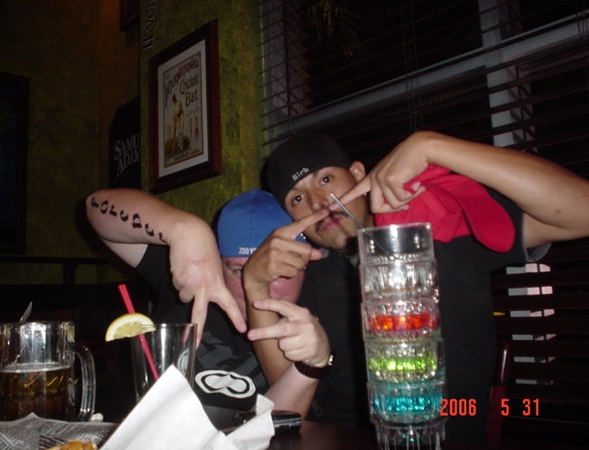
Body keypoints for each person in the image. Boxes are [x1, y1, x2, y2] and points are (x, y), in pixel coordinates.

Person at [251, 130, 589, 446]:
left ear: (358, 173)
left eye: (325, 179)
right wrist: (254, 284)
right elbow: (287, 407)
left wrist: (432, 146)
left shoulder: (440, 229)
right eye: (297, 198)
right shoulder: (309, 282)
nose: (318, 203)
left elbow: (582, 210)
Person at [85, 188, 330, 417]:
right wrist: (184, 229)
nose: (258, 289)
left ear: (305, 267)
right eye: (239, 271)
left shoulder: (326, 306)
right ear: (218, 265)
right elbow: (94, 207)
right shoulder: (198, 281)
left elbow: (284, 423)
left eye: (281, 271)